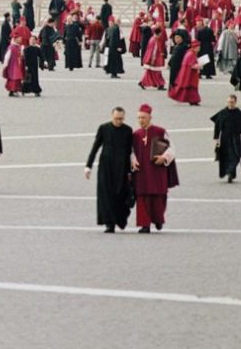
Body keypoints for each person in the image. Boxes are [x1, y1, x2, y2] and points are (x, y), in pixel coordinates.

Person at [84, 107, 134, 233]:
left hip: (122, 168)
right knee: (106, 195)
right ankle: (109, 223)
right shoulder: (104, 128)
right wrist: (88, 166)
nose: (119, 121)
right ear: (112, 116)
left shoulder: (128, 130)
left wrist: (131, 172)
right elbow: (95, 147)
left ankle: (120, 219)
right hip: (106, 167)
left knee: (120, 194)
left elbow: (130, 152)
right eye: (116, 119)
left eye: (121, 119)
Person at [130, 104, 178, 233]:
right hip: (142, 173)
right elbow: (131, 151)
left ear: (150, 117)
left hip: (157, 171)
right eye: (139, 118)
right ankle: (145, 224)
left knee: (159, 197)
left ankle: (158, 220)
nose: (141, 120)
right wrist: (133, 161)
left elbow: (172, 148)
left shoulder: (160, 131)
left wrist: (164, 157)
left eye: (143, 118)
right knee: (142, 197)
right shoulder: (135, 134)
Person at [212, 95, 241, 182]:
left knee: (236, 155)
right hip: (224, 138)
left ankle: (230, 171)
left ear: (235, 102)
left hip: (235, 138)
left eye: (232, 102)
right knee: (226, 156)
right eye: (229, 102)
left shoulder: (239, 113)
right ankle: (230, 173)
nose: (230, 104)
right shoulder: (223, 113)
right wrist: (216, 137)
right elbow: (217, 126)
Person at [169, 40, 202, 105]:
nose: (199, 48)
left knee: (190, 88)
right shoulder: (191, 54)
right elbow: (192, 65)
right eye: (198, 47)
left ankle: (193, 100)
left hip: (188, 74)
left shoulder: (189, 53)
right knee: (192, 88)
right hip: (190, 74)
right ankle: (193, 100)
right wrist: (199, 65)